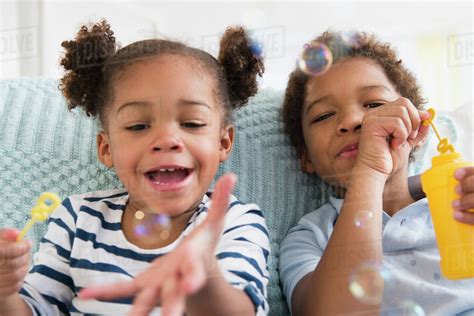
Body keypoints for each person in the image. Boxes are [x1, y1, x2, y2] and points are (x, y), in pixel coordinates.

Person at [0, 19, 270, 315]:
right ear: (106, 148)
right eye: (138, 126)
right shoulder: (78, 219)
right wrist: (5, 294)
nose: (167, 140)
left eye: (191, 123)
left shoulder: (234, 222)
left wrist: (204, 277)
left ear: (223, 142)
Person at [279, 30, 474, 315]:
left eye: (374, 105)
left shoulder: (459, 201)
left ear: (417, 128)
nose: (353, 121)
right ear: (305, 158)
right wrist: (369, 171)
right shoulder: (311, 236)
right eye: (324, 116)